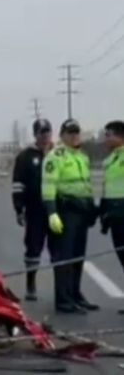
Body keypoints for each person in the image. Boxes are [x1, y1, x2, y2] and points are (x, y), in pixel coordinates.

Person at [42, 118, 98, 314]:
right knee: (64, 257)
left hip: (81, 211)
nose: (74, 136)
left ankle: (75, 294)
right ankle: (63, 299)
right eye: (70, 133)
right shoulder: (55, 156)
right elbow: (48, 186)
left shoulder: (82, 157)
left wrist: (91, 209)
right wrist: (52, 213)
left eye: (76, 132)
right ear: (62, 135)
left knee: (78, 257)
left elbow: (86, 184)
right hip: (65, 211)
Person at [12, 119, 54, 301]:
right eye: (41, 133)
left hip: (56, 211)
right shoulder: (25, 156)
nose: (44, 136)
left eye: (47, 132)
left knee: (60, 249)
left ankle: (64, 289)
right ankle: (31, 283)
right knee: (33, 248)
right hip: (35, 210)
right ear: (35, 134)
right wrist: (19, 208)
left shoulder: (58, 154)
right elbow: (18, 185)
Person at [99, 120, 124, 314]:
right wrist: (103, 213)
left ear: (119, 136)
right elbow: (108, 189)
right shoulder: (111, 160)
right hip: (115, 215)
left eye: (108, 135)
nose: (105, 138)